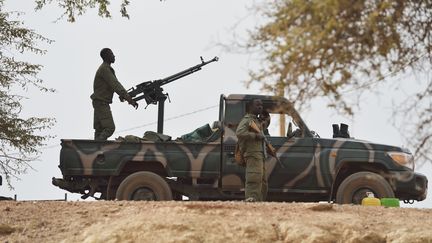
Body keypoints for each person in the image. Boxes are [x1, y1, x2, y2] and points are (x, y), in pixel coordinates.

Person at [90, 48, 138, 140]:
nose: (114, 56)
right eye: (111, 54)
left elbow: (112, 86)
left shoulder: (104, 68)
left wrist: (123, 96)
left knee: (99, 130)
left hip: (98, 102)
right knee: (110, 128)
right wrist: (128, 98)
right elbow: (115, 84)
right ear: (106, 56)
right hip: (101, 102)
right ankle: (98, 146)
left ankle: (96, 149)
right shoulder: (105, 69)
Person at [236, 98, 268, 202]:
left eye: (261, 105)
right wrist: (255, 136)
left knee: (262, 181)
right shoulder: (247, 120)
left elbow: (264, 125)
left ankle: (259, 202)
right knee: (254, 178)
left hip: (259, 154)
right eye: (257, 105)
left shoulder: (256, 121)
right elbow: (239, 132)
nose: (260, 107)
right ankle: (251, 201)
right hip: (253, 153)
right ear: (250, 107)